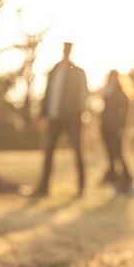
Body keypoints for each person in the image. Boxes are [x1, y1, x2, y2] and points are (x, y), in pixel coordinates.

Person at [32, 42, 88, 198]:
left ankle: (81, 187)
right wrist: (42, 114)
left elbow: (83, 94)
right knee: (48, 151)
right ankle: (43, 187)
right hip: (53, 117)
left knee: (77, 151)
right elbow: (47, 94)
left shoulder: (77, 72)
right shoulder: (54, 71)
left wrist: (79, 112)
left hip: (72, 118)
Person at [100, 69, 134, 196]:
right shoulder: (106, 93)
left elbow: (125, 113)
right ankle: (115, 185)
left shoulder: (122, 95)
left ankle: (129, 183)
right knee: (110, 158)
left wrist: (123, 127)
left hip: (117, 130)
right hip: (106, 129)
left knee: (119, 155)